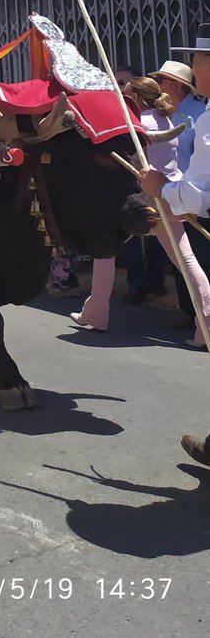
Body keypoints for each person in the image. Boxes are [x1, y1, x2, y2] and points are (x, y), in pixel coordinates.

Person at [139, 25, 210, 464]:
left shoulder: (205, 122)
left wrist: (161, 188)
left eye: (199, 59)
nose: (196, 66)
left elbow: (202, 192)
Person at [71, 76, 179, 331]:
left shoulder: (138, 125)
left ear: (137, 98)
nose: (122, 97)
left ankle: (97, 313)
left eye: (127, 93)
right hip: (170, 199)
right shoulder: (165, 119)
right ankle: (204, 325)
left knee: (104, 252)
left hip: (140, 203)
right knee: (184, 263)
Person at [150, 59, 210, 328]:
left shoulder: (200, 113)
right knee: (183, 255)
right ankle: (190, 311)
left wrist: (165, 188)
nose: (156, 85)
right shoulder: (159, 113)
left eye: (160, 81)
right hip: (178, 193)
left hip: (190, 193)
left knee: (196, 256)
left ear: (175, 86)